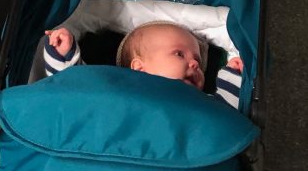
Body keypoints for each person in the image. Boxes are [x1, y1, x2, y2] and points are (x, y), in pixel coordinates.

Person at [43, 21, 244, 108]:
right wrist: (63, 53)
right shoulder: (115, 91)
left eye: (198, 63)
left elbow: (224, 116)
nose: (194, 63)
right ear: (139, 68)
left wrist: (233, 75)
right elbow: (72, 90)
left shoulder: (202, 102)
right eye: (179, 54)